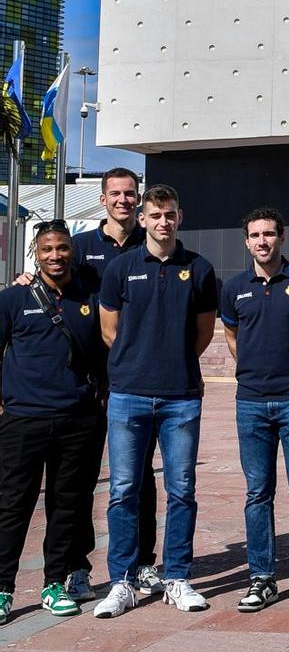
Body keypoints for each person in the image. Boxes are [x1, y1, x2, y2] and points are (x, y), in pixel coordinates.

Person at [93, 185, 218, 617]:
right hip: (128, 394)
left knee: (181, 490)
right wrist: (137, 364)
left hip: (180, 397)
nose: (163, 222)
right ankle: (122, 581)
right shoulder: (122, 268)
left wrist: (173, 362)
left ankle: (177, 577)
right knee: (124, 490)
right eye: (155, 215)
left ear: (179, 217)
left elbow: (203, 334)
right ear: (142, 220)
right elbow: (110, 331)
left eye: (169, 215)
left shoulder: (199, 268)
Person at [220, 209, 289, 612]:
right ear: (246, 242)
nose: (262, 241)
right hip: (250, 403)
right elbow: (233, 336)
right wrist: (251, 371)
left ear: (282, 238)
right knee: (257, 493)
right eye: (255, 235)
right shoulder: (234, 287)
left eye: (269, 234)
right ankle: (262, 577)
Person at [0, 222, 106, 621]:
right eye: (47, 249)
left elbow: (103, 346)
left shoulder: (89, 296)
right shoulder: (12, 298)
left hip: (77, 419)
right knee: (12, 506)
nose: (55, 256)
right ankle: (2, 588)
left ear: (72, 252)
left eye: (62, 248)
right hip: (23, 420)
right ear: (35, 252)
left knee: (68, 505)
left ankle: (54, 583)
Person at [66, 169, 155, 602]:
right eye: (115, 194)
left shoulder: (152, 241)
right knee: (81, 478)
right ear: (102, 199)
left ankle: (142, 563)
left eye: (130, 194)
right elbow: (55, 285)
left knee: (141, 479)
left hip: (138, 379)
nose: (123, 200)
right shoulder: (81, 249)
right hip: (88, 381)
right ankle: (77, 567)